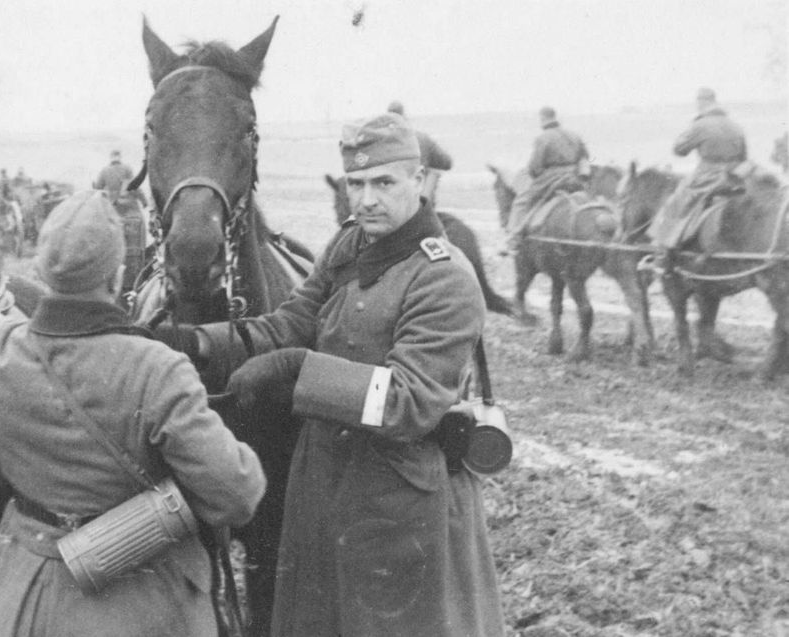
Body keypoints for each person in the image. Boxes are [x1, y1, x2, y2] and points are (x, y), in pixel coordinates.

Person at [158, 113, 505, 636]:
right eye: (357, 184)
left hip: (399, 502)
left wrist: (299, 369)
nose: (367, 199)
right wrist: (197, 341)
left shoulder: (444, 278)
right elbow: (292, 322)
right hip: (323, 488)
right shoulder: (350, 246)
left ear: (420, 181)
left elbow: (406, 403)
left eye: (384, 182)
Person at [0, 190, 266, 637]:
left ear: (39, 272)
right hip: (141, 600)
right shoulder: (157, 369)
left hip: (26, 591)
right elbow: (237, 494)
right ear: (117, 277)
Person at [640, 87, 749, 274]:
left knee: (675, 204)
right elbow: (744, 155)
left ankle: (663, 257)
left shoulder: (700, 124)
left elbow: (679, 150)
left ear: (701, 102)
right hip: (736, 177)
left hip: (709, 176)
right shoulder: (735, 125)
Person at [504, 106, 589, 252]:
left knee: (522, 200)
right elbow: (585, 157)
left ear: (543, 118)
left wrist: (536, 176)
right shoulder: (574, 135)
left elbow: (535, 167)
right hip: (574, 179)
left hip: (552, 179)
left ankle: (514, 237)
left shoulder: (543, 138)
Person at [387, 100, 453, 207]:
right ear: (404, 117)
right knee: (432, 174)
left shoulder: (382, 142)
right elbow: (447, 163)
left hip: (393, 204)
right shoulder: (423, 138)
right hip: (421, 203)